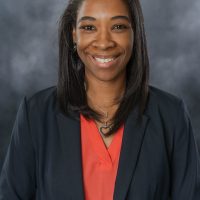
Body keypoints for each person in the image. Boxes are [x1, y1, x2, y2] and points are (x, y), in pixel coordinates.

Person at [0, 0, 200, 199]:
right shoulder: (35, 114)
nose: (104, 42)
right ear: (73, 33)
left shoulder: (172, 116)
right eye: (89, 27)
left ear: (135, 33)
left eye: (118, 27)